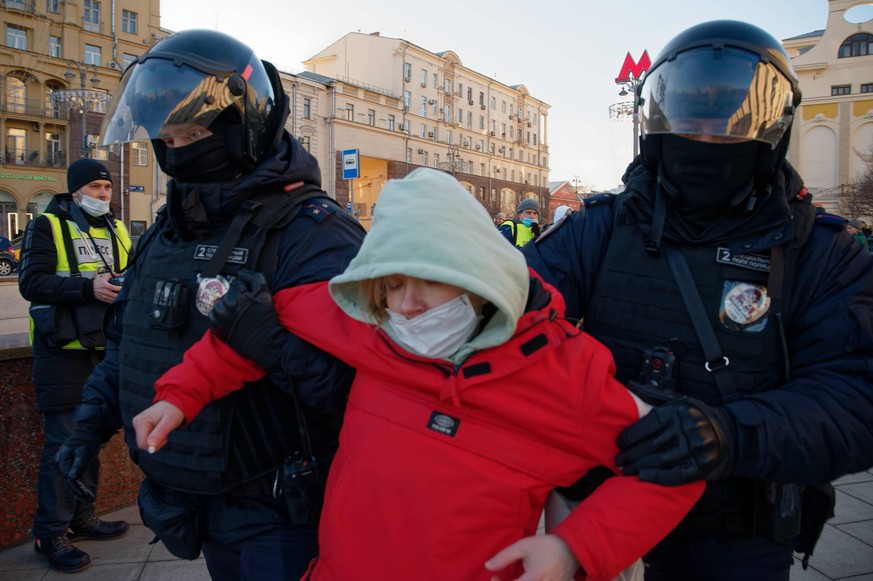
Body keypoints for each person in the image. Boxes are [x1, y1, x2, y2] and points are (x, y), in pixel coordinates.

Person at [133, 167, 704, 581]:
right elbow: (250, 327)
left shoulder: (567, 371)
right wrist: (181, 395)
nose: (404, 306)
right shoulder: (373, 324)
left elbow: (673, 469)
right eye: (391, 283)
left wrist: (574, 547)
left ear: (475, 273)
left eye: (426, 281)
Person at [523, 20, 873, 580]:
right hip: (598, 507)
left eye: (732, 122)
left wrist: (732, 435)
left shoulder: (821, 251)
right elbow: (507, 306)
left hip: (735, 531)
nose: (708, 139)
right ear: (659, 125)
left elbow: (855, 397)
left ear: (772, 131)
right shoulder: (602, 227)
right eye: (692, 119)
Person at [55, 29, 365, 581]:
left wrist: (271, 345)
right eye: (167, 140)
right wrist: (90, 424)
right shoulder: (166, 231)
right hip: (198, 500)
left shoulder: (314, 234)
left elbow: (357, 390)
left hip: (282, 511)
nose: (177, 155)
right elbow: (131, 343)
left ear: (243, 128)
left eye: (192, 134)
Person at [18, 158, 131, 573]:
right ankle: (50, 534)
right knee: (64, 443)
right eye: (96, 187)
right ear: (76, 191)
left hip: (103, 347)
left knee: (92, 438)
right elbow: (32, 282)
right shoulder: (48, 224)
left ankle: (81, 518)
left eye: (107, 187)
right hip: (61, 349)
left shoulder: (117, 229)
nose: (104, 194)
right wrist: (89, 287)